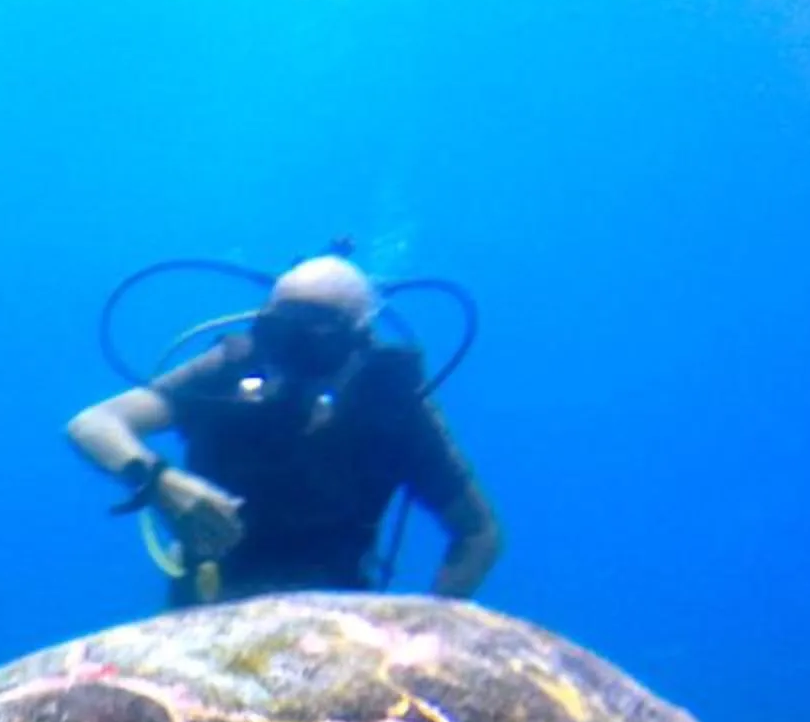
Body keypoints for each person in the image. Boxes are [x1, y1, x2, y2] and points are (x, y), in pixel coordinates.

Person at [68, 253, 502, 606]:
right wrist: (159, 482)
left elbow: (478, 533)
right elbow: (93, 424)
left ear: (357, 340)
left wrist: (421, 632)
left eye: (312, 339)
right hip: (207, 606)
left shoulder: (393, 405)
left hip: (335, 619)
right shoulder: (232, 370)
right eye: (276, 334)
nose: (288, 356)